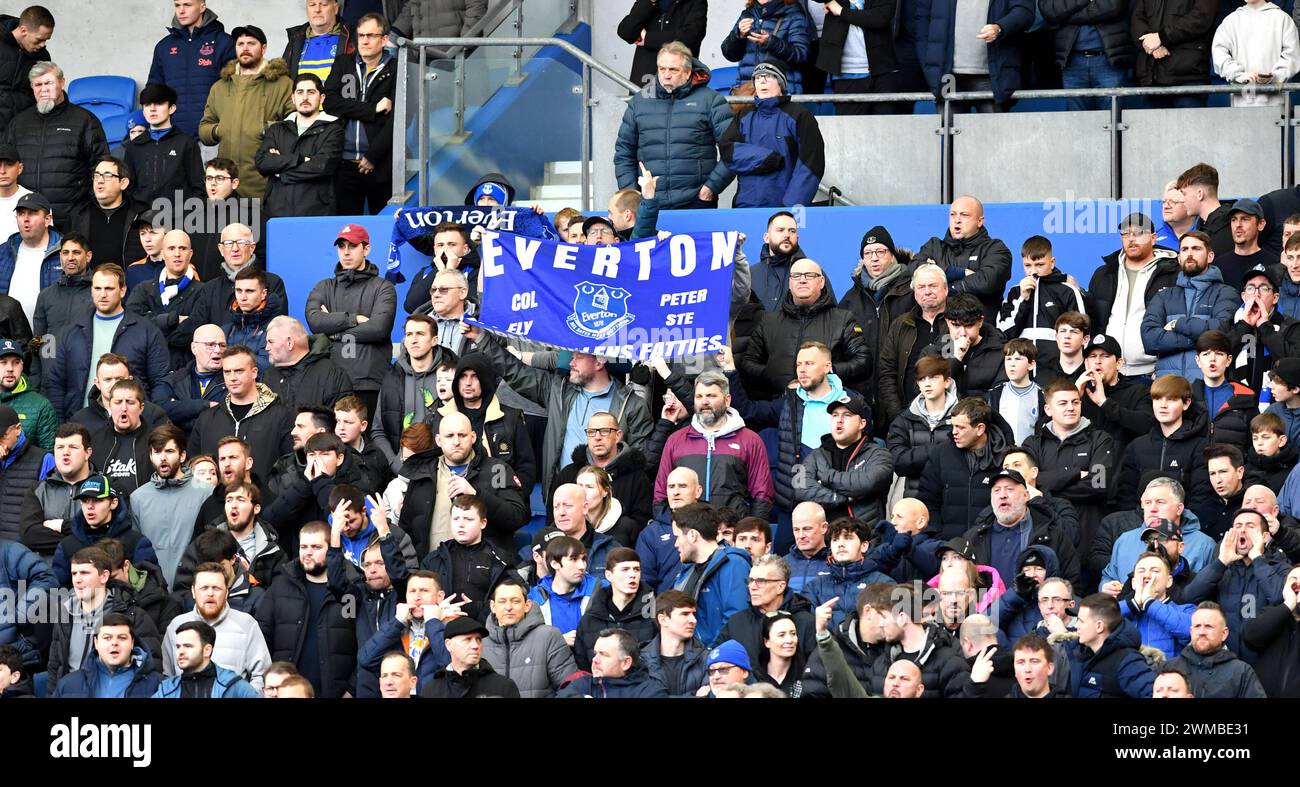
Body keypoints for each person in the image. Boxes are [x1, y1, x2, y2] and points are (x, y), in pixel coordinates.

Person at [464, 322, 651, 501]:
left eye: (578, 356)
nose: (571, 362)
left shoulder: (632, 406)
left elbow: (642, 464)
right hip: (561, 501)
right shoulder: (557, 390)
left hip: (607, 503)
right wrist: (480, 338)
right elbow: (516, 372)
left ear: (599, 361)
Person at [613, 41, 733, 211]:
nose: (666, 75)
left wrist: (710, 188)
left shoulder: (711, 100)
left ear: (687, 72)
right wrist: (632, 193)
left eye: (673, 70)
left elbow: (733, 148)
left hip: (696, 202)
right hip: (649, 202)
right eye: (662, 69)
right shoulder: (639, 102)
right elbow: (624, 153)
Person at [47, 264, 169, 420]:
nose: (102, 294)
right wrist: (62, 425)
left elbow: (160, 382)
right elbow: (56, 383)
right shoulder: (72, 332)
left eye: (109, 289)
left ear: (123, 290)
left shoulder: (147, 331)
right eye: (97, 288)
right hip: (82, 425)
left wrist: (146, 419)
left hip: (131, 426)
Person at [739, 257, 871, 400]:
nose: (802, 280)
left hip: (826, 408)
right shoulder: (769, 321)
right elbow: (748, 362)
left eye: (809, 275)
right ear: (790, 283)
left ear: (821, 282)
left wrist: (825, 373)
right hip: (777, 408)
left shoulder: (842, 319)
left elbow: (863, 361)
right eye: (796, 276)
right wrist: (770, 374)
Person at [651, 370, 774, 520]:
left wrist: (749, 531)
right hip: (687, 532)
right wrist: (672, 528)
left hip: (731, 532)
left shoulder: (750, 440)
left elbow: (762, 494)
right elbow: (660, 494)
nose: (704, 402)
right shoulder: (676, 440)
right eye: (699, 396)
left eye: (711, 396)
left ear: (727, 400)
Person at [1, 62, 108, 233]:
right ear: (32, 88)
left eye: (48, 83)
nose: (43, 89)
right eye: (38, 84)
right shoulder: (18, 123)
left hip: (71, 222)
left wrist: (86, 214)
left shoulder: (85, 120)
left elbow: (100, 166)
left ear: (62, 83)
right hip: (26, 221)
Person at [304, 224, 396, 415]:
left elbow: (379, 328)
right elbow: (315, 322)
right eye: (341, 246)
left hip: (369, 383)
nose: (346, 252)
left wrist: (333, 330)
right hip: (331, 381)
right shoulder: (324, 286)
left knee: (367, 441)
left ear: (366, 249)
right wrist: (353, 319)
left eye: (353, 246)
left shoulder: (383, 287)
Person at [45, 546, 162, 692]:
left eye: (85, 573)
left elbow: (150, 666)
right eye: (74, 573)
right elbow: (55, 666)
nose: (77, 580)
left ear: (104, 576)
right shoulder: (65, 614)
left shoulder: (133, 615)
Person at [1184, 508, 1290, 664]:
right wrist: (1221, 563)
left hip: (1266, 660)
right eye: (1238, 526)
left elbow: (1279, 598)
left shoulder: (1280, 567)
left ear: (1265, 537)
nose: (1242, 530)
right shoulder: (1222, 569)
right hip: (1225, 661)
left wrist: (1258, 559)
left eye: (1250, 526)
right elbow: (1190, 596)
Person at [198, 27, 293, 201]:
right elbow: (204, 129)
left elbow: (294, 123)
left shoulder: (282, 84)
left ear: (263, 48)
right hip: (227, 184)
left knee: (260, 226)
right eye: (240, 44)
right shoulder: (219, 87)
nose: (245, 48)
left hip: (264, 180)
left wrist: (266, 130)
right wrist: (220, 130)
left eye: (251, 43)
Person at [719, 59, 824, 209]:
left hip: (783, 210)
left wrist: (790, 207)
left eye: (769, 76)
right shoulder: (743, 116)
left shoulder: (800, 115)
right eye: (757, 77)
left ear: (781, 83)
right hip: (745, 207)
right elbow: (727, 151)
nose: (762, 80)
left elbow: (811, 164)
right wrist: (766, 158)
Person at [1087, 213, 1180, 379]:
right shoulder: (1104, 274)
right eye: (1125, 234)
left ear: (1153, 238)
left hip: (1154, 372)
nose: (1131, 239)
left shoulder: (1173, 273)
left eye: (1138, 233)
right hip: (1111, 374)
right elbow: (1092, 320)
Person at [1140, 231, 1240, 381]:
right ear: (1179, 257)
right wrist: (1199, 339)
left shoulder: (1225, 293)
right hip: (1168, 389)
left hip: (1207, 387)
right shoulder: (1164, 296)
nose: (1190, 254)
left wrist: (1177, 324)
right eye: (1184, 249)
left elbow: (1221, 332)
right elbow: (1150, 340)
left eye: (1196, 248)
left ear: (1210, 256)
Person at [322, 12, 395, 216]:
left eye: (371, 35)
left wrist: (372, 156)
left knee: (382, 227)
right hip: (343, 164)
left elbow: (399, 121)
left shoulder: (396, 68)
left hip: (380, 165)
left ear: (384, 39)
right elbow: (330, 103)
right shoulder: (343, 63)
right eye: (361, 35)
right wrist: (372, 109)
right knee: (346, 229)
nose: (364, 40)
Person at [431, 352, 535, 493]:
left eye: (474, 376)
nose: (468, 382)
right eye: (463, 376)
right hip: (451, 502)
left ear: (485, 379)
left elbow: (526, 469)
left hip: (499, 503)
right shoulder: (441, 417)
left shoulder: (511, 418)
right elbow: (431, 465)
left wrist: (511, 501)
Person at [1115, 374, 1213, 518]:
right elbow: (1126, 496)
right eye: (1157, 399)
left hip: (1183, 529)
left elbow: (1201, 496)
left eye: (1171, 399)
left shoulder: (1199, 446)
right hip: (1141, 529)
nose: (1163, 405)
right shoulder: (1136, 447)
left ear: (1186, 404)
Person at [1095, 477, 1216, 589]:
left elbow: (1209, 589)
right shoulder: (1124, 540)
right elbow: (1109, 576)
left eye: (1160, 502)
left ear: (1179, 508)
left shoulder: (1204, 545)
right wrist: (1106, 586)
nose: (1152, 508)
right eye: (1148, 503)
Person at [917, 396, 1010, 540]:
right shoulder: (941, 454)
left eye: (960, 427)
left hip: (990, 545)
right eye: (953, 426)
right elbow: (928, 500)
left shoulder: (1006, 458)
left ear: (980, 429)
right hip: (947, 546)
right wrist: (937, 537)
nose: (954, 432)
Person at [131, 424, 211, 587]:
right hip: (154, 592)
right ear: (150, 455)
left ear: (182, 456)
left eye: (169, 451)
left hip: (195, 589)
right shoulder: (138, 498)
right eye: (157, 452)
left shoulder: (207, 493)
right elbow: (135, 554)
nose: (162, 458)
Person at [795, 393, 893, 524]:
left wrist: (826, 477)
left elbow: (869, 483)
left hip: (864, 538)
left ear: (862, 423)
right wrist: (841, 498)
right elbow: (799, 486)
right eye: (835, 415)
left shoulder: (879, 454)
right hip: (826, 538)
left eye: (847, 415)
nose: (839, 420)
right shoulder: (816, 455)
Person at [255, 73, 342, 219]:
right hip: (276, 210)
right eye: (300, 92)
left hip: (315, 211)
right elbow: (262, 162)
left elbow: (322, 167)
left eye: (311, 92)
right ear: (293, 98)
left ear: (321, 98)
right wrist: (302, 159)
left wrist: (280, 171)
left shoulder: (333, 129)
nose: (305, 98)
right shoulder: (277, 129)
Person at [862, 582, 971, 697]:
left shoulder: (950, 663)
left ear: (902, 618)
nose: (880, 624)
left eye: (884, 617)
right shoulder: (880, 664)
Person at [146, 0, 235, 138]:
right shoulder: (163, 47)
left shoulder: (224, 42)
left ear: (202, 7)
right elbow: (153, 91)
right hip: (173, 136)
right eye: (177, 5)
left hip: (213, 135)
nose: (181, 10)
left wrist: (223, 127)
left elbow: (235, 89)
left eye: (187, 5)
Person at [917, 196, 1013, 322]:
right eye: (953, 214)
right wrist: (961, 273)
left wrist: (946, 288)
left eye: (964, 215)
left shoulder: (995, 249)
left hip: (981, 332)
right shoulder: (934, 246)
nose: (957, 220)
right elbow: (915, 269)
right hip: (937, 329)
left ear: (980, 221)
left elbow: (986, 282)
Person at [51, 475, 158, 587]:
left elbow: (151, 591)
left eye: (97, 500)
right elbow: (56, 593)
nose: (90, 506)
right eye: (85, 501)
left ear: (113, 503)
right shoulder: (67, 546)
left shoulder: (136, 543)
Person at [996, 235, 1087, 367]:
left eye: (1039, 265)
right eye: (1028, 265)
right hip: (1022, 369)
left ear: (1052, 262)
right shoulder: (1015, 292)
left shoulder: (1067, 290)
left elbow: (1081, 332)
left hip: (1057, 369)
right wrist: (1023, 300)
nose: (1033, 271)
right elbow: (1003, 333)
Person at [552, 411, 654, 529]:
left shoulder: (637, 478)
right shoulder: (568, 474)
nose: (597, 437)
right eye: (591, 432)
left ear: (618, 435)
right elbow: (554, 520)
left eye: (604, 431)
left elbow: (640, 524)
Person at [670, 502, 752, 647]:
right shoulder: (686, 572)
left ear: (692, 535)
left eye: (677, 536)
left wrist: (711, 654)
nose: (676, 544)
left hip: (718, 660)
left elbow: (736, 618)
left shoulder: (733, 564)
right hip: (691, 659)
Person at [878, 263, 951, 423]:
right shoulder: (900, 325)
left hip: (950, 416)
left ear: (945, 289)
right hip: (907, 416)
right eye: (921, 287)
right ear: (915, 294)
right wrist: (898, 416)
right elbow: (886, 372)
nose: (927, 291)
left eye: (933, 286)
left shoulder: (957, 323)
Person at [125, 229, 205, 369]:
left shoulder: (203, 291)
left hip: (185, 371)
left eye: (182, 248)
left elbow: (194, 332)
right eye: (171, 248)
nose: (177, 254)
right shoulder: (143, 289)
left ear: (190, 254)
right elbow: (132, 324)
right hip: (147, 369)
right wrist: (172, 319)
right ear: (162, 252)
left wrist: (153, 326)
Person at [1039, 0, 1133, 111]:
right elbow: (1050, 10)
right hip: (1072, 61)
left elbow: (1113, 6)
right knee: (1077, 121)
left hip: (1107, 60)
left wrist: (1067, 15)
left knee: (1111, 121)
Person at [123, 83, 205, 209]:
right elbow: (128, 188)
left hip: (179, 220)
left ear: (172, 108)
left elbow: (198, 188)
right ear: (143, 111)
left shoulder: (186, 143)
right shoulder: (133, 146)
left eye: (159, 103)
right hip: (141, 219)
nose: (152, 109)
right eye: (147, 105)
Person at [573, 548, 656, 671]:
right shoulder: (589, 620)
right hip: (601, 688)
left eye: (636, 569)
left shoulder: (654, 616)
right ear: (609, 575)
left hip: (643, 687)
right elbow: (583, 668)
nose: (632, 574)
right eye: (625, 569)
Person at [1164, 601, 1267, 698]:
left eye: (1208, 626)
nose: (1201, 632)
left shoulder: (1241, 672)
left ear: (1224, 634)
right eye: (1197, 626)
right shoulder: (1169, 668)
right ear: (1191, 631)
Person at [18, 421, 90, 559]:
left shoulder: (105, 487)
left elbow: (107, 534)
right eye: (60, 447)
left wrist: (62, 525)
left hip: (93, 576)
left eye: (73, 447)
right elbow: (30, 535)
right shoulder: (38, 490)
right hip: (47, 576)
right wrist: (83, 541)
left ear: (87, 453)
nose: (65, 453)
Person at [1077, 333, 1156, 456]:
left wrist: (1105, 403)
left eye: (1105, 356)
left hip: (1123, 465)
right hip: (1082, 465)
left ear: (1119, 363)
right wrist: (1073, 398)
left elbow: (1147, 426)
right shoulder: (1077, 392)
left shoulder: (1138, 391)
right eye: (1093, 356)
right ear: (1086, 363)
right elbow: (1047, 427)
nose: (1097, 361)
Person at [1225, 264, 1300, 393]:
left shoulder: (1291, 327)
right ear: (1243, 296)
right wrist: (1244, 326)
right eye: (1250, 288)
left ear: (1275, 298)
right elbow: (1218, 355)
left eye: (1264, 288)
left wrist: (1265, 328)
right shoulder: (1230, 325)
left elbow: (1294, 366)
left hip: (1276, 404)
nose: (1256, 294)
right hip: (1237, 402)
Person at [51, 613, 163, 698]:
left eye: (122, 638)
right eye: (107, 638)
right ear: (96, 643)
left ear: (132, 642)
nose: (114, 642)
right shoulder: (68, 684)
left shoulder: (157, 685)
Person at [1131, 0, 1216, 108]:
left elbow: (1202, 17)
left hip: (1188, 76)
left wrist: (1162, 37)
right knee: (1154, 124)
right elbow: (1137, 17)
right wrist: (1150, 43)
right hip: (1153, 76)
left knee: (1190, 124)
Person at [33, 233, 94, 376]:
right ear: (60, 256)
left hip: (87, 378)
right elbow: (37, 342)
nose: (70, 258)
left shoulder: (99, 293)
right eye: (65, 253)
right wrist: (37, 379)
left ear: (88, 256)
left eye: (76, 252)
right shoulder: (46, 296)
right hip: (52, 379)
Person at [262, 316, 353, 412]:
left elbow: (341, 421)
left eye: (271, 342)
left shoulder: (332, 374)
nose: (267, 348)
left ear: (290, 343)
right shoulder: (268, 376)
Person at [152, 619, 261, 698]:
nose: (180, 652)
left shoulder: (233, 685)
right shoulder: (166, 690)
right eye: (178, 646)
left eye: (188, 646)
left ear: (207, 650)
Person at [720, 0, 810, 93]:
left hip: (781, 93)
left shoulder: (793, 14)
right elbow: (729, 53)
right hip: (749, 93)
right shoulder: (748, 13)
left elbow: (801, 55)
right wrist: (739, 35)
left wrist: (771, 42)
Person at [420, 616, 521, 698]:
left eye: (478, 639)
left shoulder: (503, 687)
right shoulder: (431, 690)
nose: (475, 646)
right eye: (467, 639)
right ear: (448, 645)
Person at [151, 323, 227, 433]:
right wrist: (204, 405)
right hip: (180, 445)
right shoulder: (175, 380)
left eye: (222, 345)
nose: (217, 350)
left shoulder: (233, 380)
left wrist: (180, 416)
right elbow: (157, 409)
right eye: (210, 344)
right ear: (194, 348)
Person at [1118, 551, 1195, 659]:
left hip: (1168, 673)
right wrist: (1133, 604)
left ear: (1169, 581)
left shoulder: (1187, 610)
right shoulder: (1119, 609)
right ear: (1133, 583)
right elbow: (1098, 623)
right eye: (1141, 571)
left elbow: (1191, 631)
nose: (1147, 576)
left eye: (1155, 571)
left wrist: (1149, 603)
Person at [1191, 330, 1257, 453]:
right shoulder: (1187, 397)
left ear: (1229, 360)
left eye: (1219, 354)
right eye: (1206, 354)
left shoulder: (1245, 397)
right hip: (1196, 469)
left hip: (1233, 468)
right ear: (1197, 360)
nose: (1212, 359)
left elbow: (1254, 444)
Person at [0, 191, 60, 324]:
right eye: (21, 214)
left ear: (47, 220)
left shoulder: (65, 252)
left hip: (50, 336)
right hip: (9, 338)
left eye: (32, 213)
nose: (25, 219)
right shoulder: (3, 252)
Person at [616, 0, 707, 87]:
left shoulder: (695, 2)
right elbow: (625, 32)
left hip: (678, 83)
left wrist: (648, 38)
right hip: (645, 81)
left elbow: (691, 36)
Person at [1241, 564, 1300, 696]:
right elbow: (1250, 636)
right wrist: (1288, 605)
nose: (1297, 583)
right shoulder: (1272, 614)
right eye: (1293, 579)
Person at [640, 589, 709, 696]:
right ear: (663, 620)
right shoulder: (640, 661)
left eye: (693, 614)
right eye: (685, 614)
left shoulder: (705, 659)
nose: (693, 620)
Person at [84, 157, 145, 271]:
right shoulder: (80, 215)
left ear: (123, 183)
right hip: (89, 286)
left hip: (129, 285)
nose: (99, 180)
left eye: (107, 176)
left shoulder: (140, 215)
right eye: (96, 175)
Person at [0, 7, 54, 130]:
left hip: (23, 131)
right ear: (24, 30)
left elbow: (46, 92)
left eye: (46, 40)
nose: (43, 45)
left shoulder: (42, 56)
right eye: (39, 39)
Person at [0, 337, 53, 449]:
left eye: (16, 363)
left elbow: (50, 457)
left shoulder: (41, 406)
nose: (10, 368)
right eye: (3, 362)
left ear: (22, 366)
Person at [283, 0, 354, 81]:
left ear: (336, 9)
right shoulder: (295, 41)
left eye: (323, 4)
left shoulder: (353, 39)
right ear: (307, 9)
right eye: (312, 5)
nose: (317, 10)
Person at [1177, 163, 1236, 254]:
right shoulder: (1202, 228)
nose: (1182, 200)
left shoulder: (1231, 228)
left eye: (1184, 194)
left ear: (1199, 194)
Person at [1249, 412, 1297, 493]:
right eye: (1255, 438)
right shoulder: (1245, 470)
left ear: (1281, 441)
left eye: (1266, 437)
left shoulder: (1293, 473)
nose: (1259, 443)